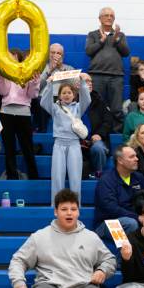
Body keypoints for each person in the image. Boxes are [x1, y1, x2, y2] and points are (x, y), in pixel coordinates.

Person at [41, 73, 91, 202]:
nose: (67, 95)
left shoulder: (79, 108)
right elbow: (43, 102)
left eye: (69, 92)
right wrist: (50, 84)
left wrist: (83, 82)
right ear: (59, 95)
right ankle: (55, 207)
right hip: (59, 144)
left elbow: (87, 99)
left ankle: (76, 207)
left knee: (75, 178)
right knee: (57, 178)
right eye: (64, 93)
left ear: (74, 95)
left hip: (74, 144)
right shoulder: (55, 108)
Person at [0, 50, 40, 180]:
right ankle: (12, 176)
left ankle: (33, 177)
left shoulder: (27, 73)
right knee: (9, 148)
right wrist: (0, 76)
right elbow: (2, 91)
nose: (12, 62)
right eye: (9, 59)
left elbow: (33, 95)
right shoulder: (5, 73)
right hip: (6, 112)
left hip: (23, 113)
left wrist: (34, 82)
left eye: (15, 59)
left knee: (27, 147)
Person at [93, 144, 144, 241]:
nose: (136, 159)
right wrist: (137, 217)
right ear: (120, 160)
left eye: (136, 156)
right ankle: (124, 256)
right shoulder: (106, 180)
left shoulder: (138, 177)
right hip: (106, 224)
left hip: (135, 219)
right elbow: (111, 209)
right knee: (130, 224)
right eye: (132, 157)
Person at [86, 7, 130, 131]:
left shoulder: (120, 35)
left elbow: (126, 52)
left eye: (111, 15)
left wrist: (116, 39)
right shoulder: (93, 34)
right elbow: (89, 51)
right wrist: (101, 41)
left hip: (116, 77)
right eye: (106, 15)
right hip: (96, 76)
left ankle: (116, 136)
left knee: (116, 109)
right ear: (100, 18)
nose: (109, 17)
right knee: (96, 107)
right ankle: (97, 135)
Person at [36, 43, 76, 132]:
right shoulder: (41, 68)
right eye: (53, 52)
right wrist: (49, 70)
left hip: (62, 99)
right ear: (48, 54)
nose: (55, 55)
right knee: (39, 102)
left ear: (63, 56)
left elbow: (74, 87)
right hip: (44, 99)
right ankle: (40, 135)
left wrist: (61, 69)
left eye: (58, 53)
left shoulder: (69, 68)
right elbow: (37, 87)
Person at [80, 73, 112, 179]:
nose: (90, 84)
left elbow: (108, 122)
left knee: (98, 148)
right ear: (78, 84)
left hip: (96, 140)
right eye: (86, 81)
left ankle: (99, 174)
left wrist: (99, 134)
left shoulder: (99, 101)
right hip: (78, 141)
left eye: (90, 81)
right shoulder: (72, 100)